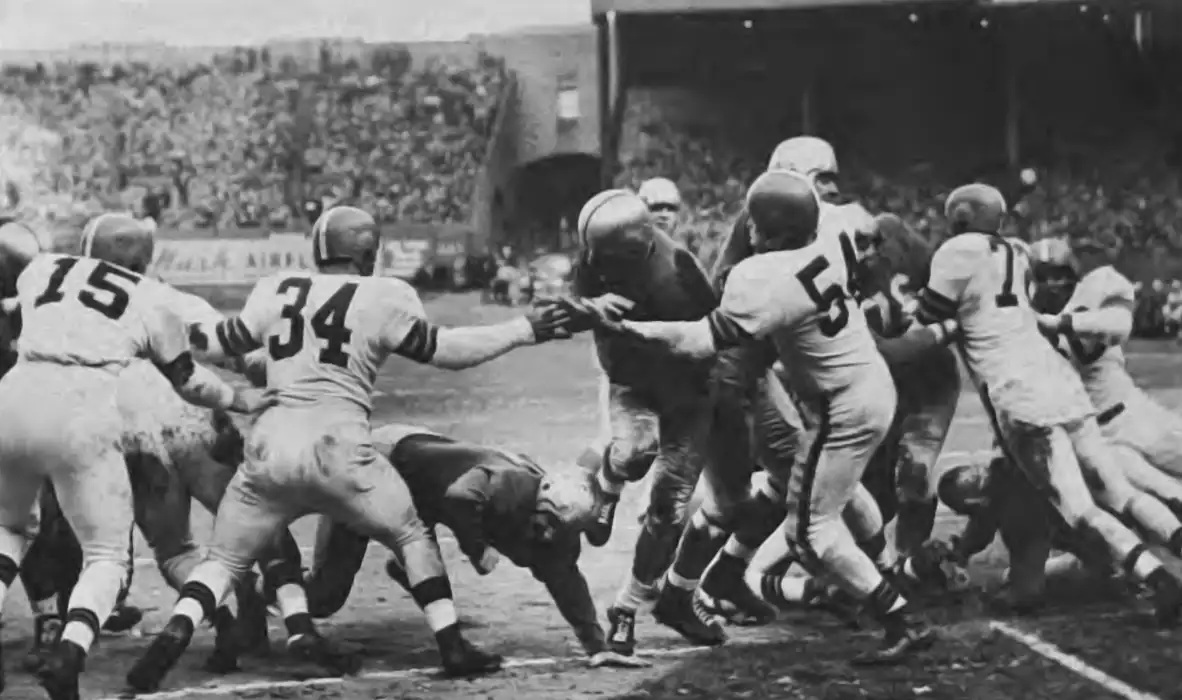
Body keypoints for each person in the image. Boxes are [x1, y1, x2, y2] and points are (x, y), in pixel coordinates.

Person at [126, 205, 602, 692]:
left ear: (317, 250)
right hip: (340, 450)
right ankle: (452, 646)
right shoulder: (384, 295)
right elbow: (447, 351)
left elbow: (212, 344)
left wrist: (159, 332)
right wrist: (526, 329)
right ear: (371, 254)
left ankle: (172, 638)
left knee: (223, 562)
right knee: (412, 536)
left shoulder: (276, 288)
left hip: (269, 449)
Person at [583, 170, 948, 664]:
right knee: (824, 498)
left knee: (809, 533)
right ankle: (868, 587)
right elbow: (864, 225)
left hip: (840, 405)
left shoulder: (761, 277)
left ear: (775, 232)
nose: (746, 230)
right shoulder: (835, 228)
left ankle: (901, 616)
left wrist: (630, 327)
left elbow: (699, 341)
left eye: (755, 223)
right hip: (862, 385)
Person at [0, 220, 274, 700]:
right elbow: (200, 372)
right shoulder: (157, 299)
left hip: (39, 409)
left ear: (88, 248)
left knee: (12, 532)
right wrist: (243, 398)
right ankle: (252, 614)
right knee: (124, 553)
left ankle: (51, 622)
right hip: (161, 423)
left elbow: (11, 298)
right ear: (146, 261)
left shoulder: (45, 267)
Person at [896, 184, 1182, 626]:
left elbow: (925, 322)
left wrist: (884, 333)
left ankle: (1160, 581)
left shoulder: (957, 252)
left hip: (1022, 395)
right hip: (1061, 383)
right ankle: (1161, 558)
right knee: (1116, 492)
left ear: (958, 219)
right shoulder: (1015, 251)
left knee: (1078, 507)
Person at [303, 423, 649, 669]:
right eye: (545, 522)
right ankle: (272, 585)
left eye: (556, 531)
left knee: (419, 554)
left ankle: (408, 571)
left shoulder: (556, 535)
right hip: (383, 461)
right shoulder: (508, 487)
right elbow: (459, 496)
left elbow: (567, 581)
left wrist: (596, 646)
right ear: (537, 500)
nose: (545, 535)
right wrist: (477, 549)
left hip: (422, 484)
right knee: (324, 596)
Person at [571, 188, 725, 654]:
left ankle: (627, 607)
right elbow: (577, 306)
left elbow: (714, 334)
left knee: (670, 508)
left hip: (687, 390)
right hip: (632, 380)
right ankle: (610, 479)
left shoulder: (678, 272)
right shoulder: (596, 256)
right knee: (635, 454)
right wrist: (589, 313)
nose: (599, 266)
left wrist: (644, 334)